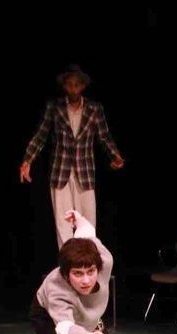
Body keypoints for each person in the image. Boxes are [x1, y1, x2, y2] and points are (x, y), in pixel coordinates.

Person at [18, 64, 125, 247]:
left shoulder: (94, 108)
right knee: (63, 224)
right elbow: (41, 135)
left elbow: (104, 136)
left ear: (83, 86)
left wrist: (115, 156)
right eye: (69, 84)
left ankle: (89, 262)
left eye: (77, 84)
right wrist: (27, 160)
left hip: (85, 172)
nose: (73, 89)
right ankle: (67, 262)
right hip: (60, 172)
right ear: (64, 86)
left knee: (88, 223)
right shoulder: (55, 107)